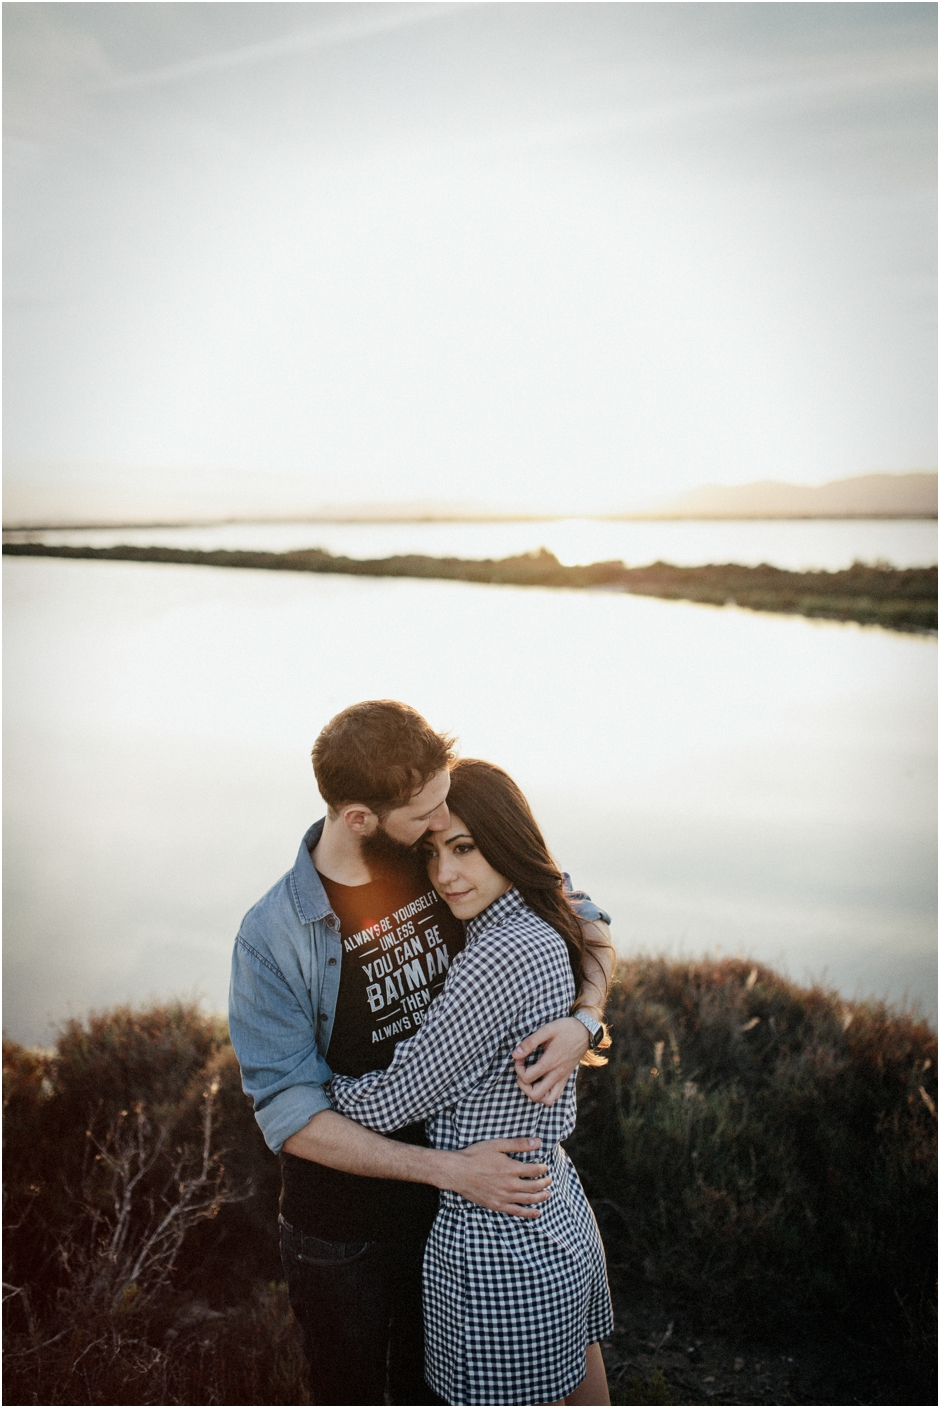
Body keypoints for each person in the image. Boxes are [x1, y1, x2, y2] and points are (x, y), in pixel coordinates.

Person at [229, 701, 613, 1406]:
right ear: (359, 819)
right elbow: (288, 1111)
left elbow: (580, 913)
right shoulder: (274, 935)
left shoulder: (445, 867)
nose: (440, 824)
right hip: (349, 1234)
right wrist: (446, 1171)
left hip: (462, 1216)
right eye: (426, 815)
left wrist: (584, 1020)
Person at [330, 758, 614, 1407]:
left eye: (464, 848)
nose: (445, 875)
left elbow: (394, 1099)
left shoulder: (499, 953)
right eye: (432, 853)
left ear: (506, 839)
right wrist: (585, 1020)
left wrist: (306, 1093)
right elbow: (595, 919)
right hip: (556, 1211)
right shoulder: (542, 922)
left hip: (497, 1249)